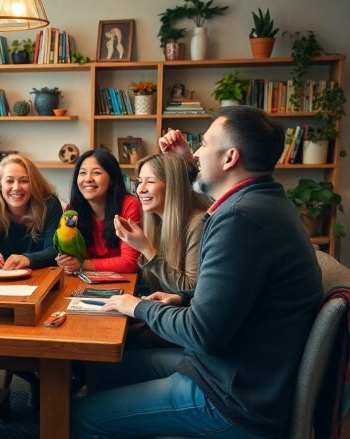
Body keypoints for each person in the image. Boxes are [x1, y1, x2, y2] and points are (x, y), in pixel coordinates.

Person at [72, 106, 322, 438]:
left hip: (231, 397)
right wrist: (183, 297)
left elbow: (203, 332)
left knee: (80, 417)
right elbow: (236, 294)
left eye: (203, 144)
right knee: (104, 368)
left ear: (230, 157)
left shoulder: (239, 220)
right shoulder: (263, 203)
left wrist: (137, 306)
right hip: (228, 371)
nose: (198, 152)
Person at [114, 153, 210, 293]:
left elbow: (191, 290)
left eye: (151, 181)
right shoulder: (157, 222)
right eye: (140, 181)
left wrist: (146, 248)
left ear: (173, 186)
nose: (141, 189)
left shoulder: (197, 224)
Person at [56, 148, 140, 274]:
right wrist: (66, 262)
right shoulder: (72, 210)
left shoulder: (129, 205)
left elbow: (130, 263)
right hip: (84, 280)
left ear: (112, 180)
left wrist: (83, 264)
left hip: (126, 283)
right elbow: (70, 256)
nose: (88, 179)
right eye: (82, 173)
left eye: (96, 173)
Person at [0, 153, 62, 269]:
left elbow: (54, 251)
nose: (16, 187)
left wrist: (27, 259)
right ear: (0, 185)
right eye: (9, 181)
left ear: (33, 184)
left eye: (24, 181)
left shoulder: (50, 204)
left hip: (41, 275)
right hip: (2, 275)